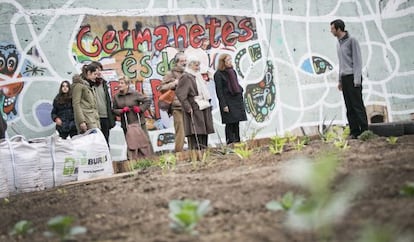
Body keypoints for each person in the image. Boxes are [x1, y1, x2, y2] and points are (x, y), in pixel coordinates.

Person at [330, 19, 368, 139]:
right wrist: (340, 80)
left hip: (353, 77)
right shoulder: (338, 44)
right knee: (349, 106)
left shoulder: (352, 41)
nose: (331, 31)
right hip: (345, 78)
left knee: (358, 105)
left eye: (332, 28)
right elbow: (341, 64)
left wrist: (357, 80)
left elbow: (357, 61)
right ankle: (354, 131)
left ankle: (365, 131)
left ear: (338, 29)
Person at [176, 59, 214, 161]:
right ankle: (196, 155)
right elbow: (181, 94)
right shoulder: (186, 77)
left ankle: (204, 152)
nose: (198, 67)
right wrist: (188, 107)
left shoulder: (197, 76)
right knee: (196, 131)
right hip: (194, 106)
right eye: (196, 65)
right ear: (191, 65)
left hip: (202, 105)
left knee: (204, 130)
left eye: (198, 65)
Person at [157, 52, 187, 159]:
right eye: (182, 61)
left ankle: (193, 151)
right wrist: (173, 84)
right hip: (177, 106)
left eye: (185, 61)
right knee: (180, 131)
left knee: (191, 130)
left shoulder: (187, 73)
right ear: (177, 62)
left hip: (188, 105)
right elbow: (161, 88)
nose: (184, 63)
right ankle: (178, 153)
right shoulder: (170, 74)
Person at [112, 76, 152, 158]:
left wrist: (140, 109)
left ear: (127, 85)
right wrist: (121, 111)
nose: (119, 85)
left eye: (122, 83)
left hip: (138, 122)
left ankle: (149, 158)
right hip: (127, 123)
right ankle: (132, 160)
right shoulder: (116, 97)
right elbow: (114, 110)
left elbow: (147, 101)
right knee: (131, 142)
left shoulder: (135, 93)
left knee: (144, 141)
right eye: (119, 83)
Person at [214, 53, 247, 145]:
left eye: (230, 60)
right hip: (227, 101)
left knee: (236, 123)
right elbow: (219, 91)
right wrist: (224, 105)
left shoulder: (232, 71)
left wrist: (240, 90)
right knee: (229, 123)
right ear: (223, 62)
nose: (230, 62)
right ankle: (230, 143)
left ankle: (237, 141)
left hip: (236, 100)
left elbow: (236, 84)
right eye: (228, 60)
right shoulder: (218, 74)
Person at [90, 61, 116, 146]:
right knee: (95, 140)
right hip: (94, 117)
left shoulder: (104, 84)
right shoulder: (90, 84)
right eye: (96, 71)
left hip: (105, 116)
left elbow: (108, 100)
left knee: (105, 139)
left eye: (100, 70)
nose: (98, 73)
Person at [72, 64, 101, 134]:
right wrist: (81, 121)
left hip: (93, 120)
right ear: (88, 73)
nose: (96, 76)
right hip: (87, 121)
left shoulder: (89, 86)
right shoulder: (79, 86)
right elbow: (76, 104)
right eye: (95, 74)